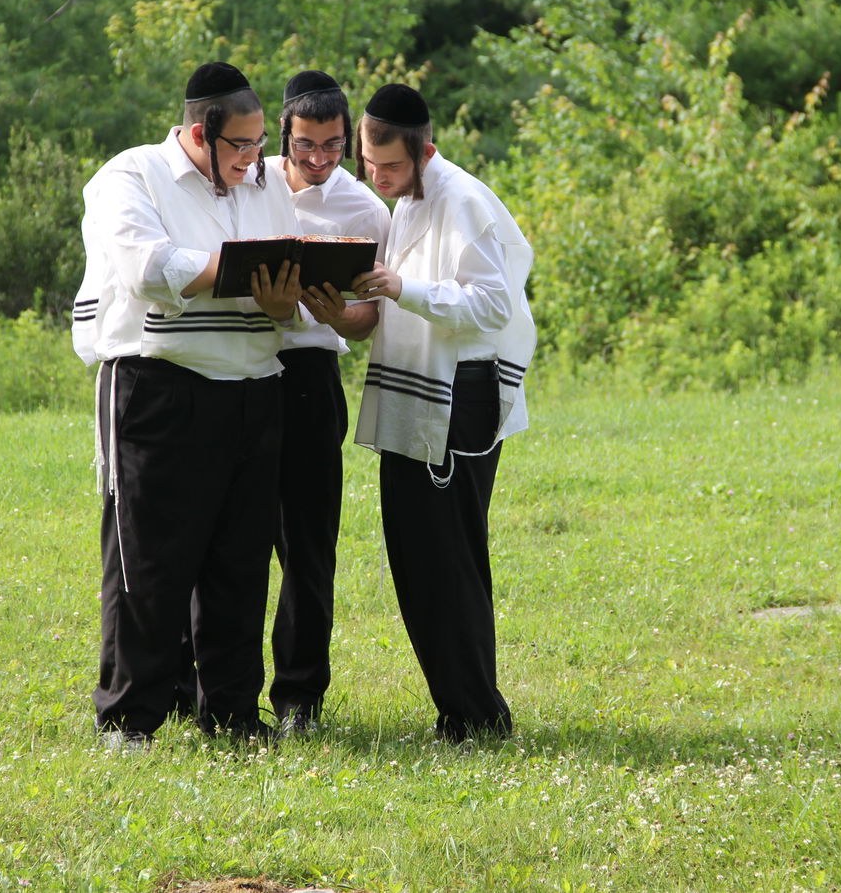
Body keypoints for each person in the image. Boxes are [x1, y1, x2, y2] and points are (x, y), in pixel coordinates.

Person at [70, 61, 303, 748]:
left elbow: (283, 272)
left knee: (239, 563)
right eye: (240, 145)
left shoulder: (263, 185)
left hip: (255, 390)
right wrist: (246, 275)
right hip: (160, 389)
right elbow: (150, 266)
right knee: (149, 562)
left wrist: (288, 292)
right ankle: (129, 717)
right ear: (201, 131)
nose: (254, 159)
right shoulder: (129, 176)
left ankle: (231, 713)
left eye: (261, 144)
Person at [348, 83, 536, 742]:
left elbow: (492, 304)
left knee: (448, 560)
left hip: (460, 397)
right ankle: (461, 709)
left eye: (392, 167)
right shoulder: (410, 199)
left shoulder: (462, 199)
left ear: (426, 149)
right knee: (417, 558)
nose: (381, 178)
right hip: (420, 393)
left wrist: (405, 287)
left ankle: (478, 714)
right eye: (370, 167)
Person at [265, 70, 390, 736]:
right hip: (239, 369)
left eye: (333, 146)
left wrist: (338, 317)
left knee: (309, 547)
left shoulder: (364, 209)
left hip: (312, 374)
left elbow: (370, 319)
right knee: (226, 540)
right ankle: (211, 690)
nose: (319, 160)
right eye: (307, 145)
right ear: (283, 133)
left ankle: (299, 701)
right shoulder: (245, 182)